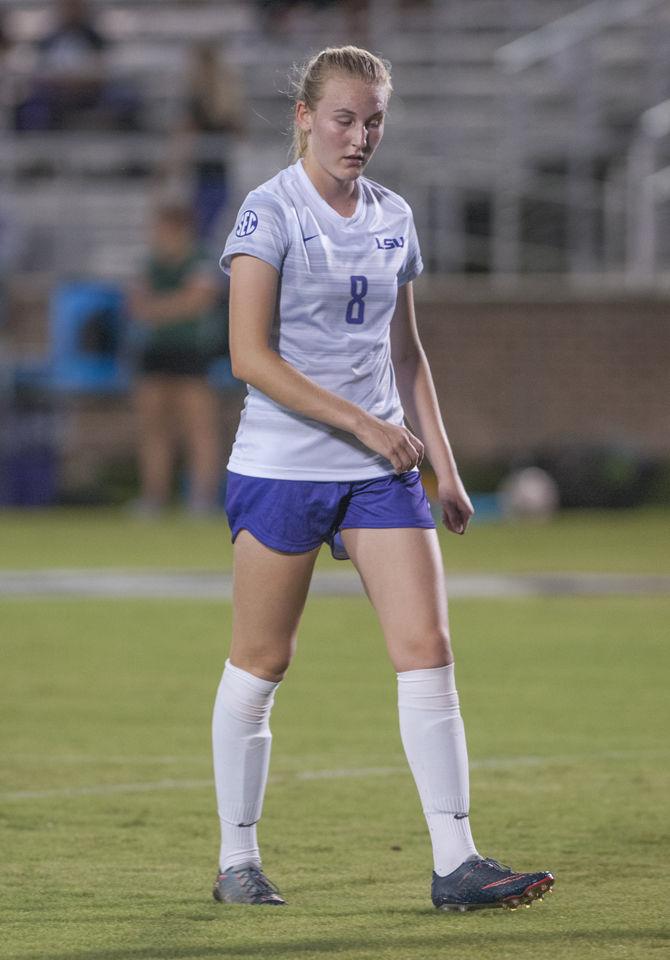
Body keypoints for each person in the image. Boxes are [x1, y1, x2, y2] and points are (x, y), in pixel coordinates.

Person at [212, 45, 554, 911]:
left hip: (380, 473)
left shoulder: (394, 214)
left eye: (373, 122)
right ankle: (236, 861)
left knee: (427, 653)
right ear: (303, 117)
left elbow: (406, 354)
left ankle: (456, 862)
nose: (360, 136)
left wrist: (440, 462)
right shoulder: (269, 211)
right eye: (343, 118)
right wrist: (364, 422)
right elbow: (248, 355)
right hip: (283, 467)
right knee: (261, 662)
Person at [129, 203, 225, 516]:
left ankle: (201, 498)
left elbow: (198, 301)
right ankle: (154, 497)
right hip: (155, 352)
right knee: (154, 427)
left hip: (191, 352)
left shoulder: (199, 259)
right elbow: (136, 303)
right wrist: (171, 306)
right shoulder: (150, 263)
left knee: (199, 428)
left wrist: (157, 310)